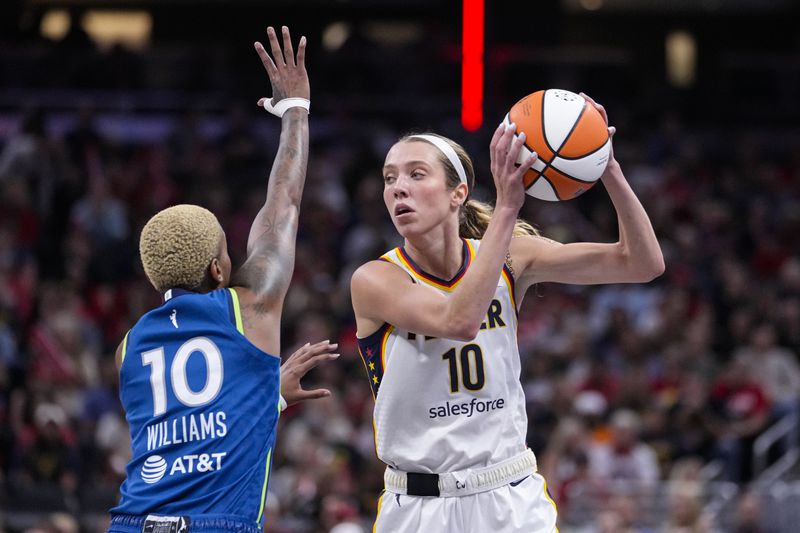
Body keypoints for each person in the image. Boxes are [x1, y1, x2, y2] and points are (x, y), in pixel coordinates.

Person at [350, 94, 664, 532]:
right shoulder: (375, 280)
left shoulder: (512, 255)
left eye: (415, 174)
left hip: (508, 493)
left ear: (458, 192)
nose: (397, 187)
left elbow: (643, 263)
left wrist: (603, 163)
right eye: (389, 178)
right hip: (422, 504)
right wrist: (508, 206)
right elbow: (458, 321)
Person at [108, 26, 336, 533]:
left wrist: (268, 395)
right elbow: (284, 205)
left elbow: (184, 435)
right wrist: (295, 109)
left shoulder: (127, 349)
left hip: (132, 520)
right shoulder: (248, 307)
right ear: (218, 270)